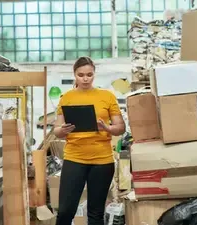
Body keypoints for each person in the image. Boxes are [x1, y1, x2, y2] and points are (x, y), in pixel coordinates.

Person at [53, 56, 125, 225]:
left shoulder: (106, 96)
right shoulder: (67, 98)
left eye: (89, 74)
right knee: (65, 211)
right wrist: (62, 130)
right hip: (74, 158)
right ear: (75, 75)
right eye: (81, 75)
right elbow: (56, 130)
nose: (85, 78)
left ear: (94, 74)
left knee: (95, 213)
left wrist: (107, 128)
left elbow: (120, 127)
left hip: (102, 160)